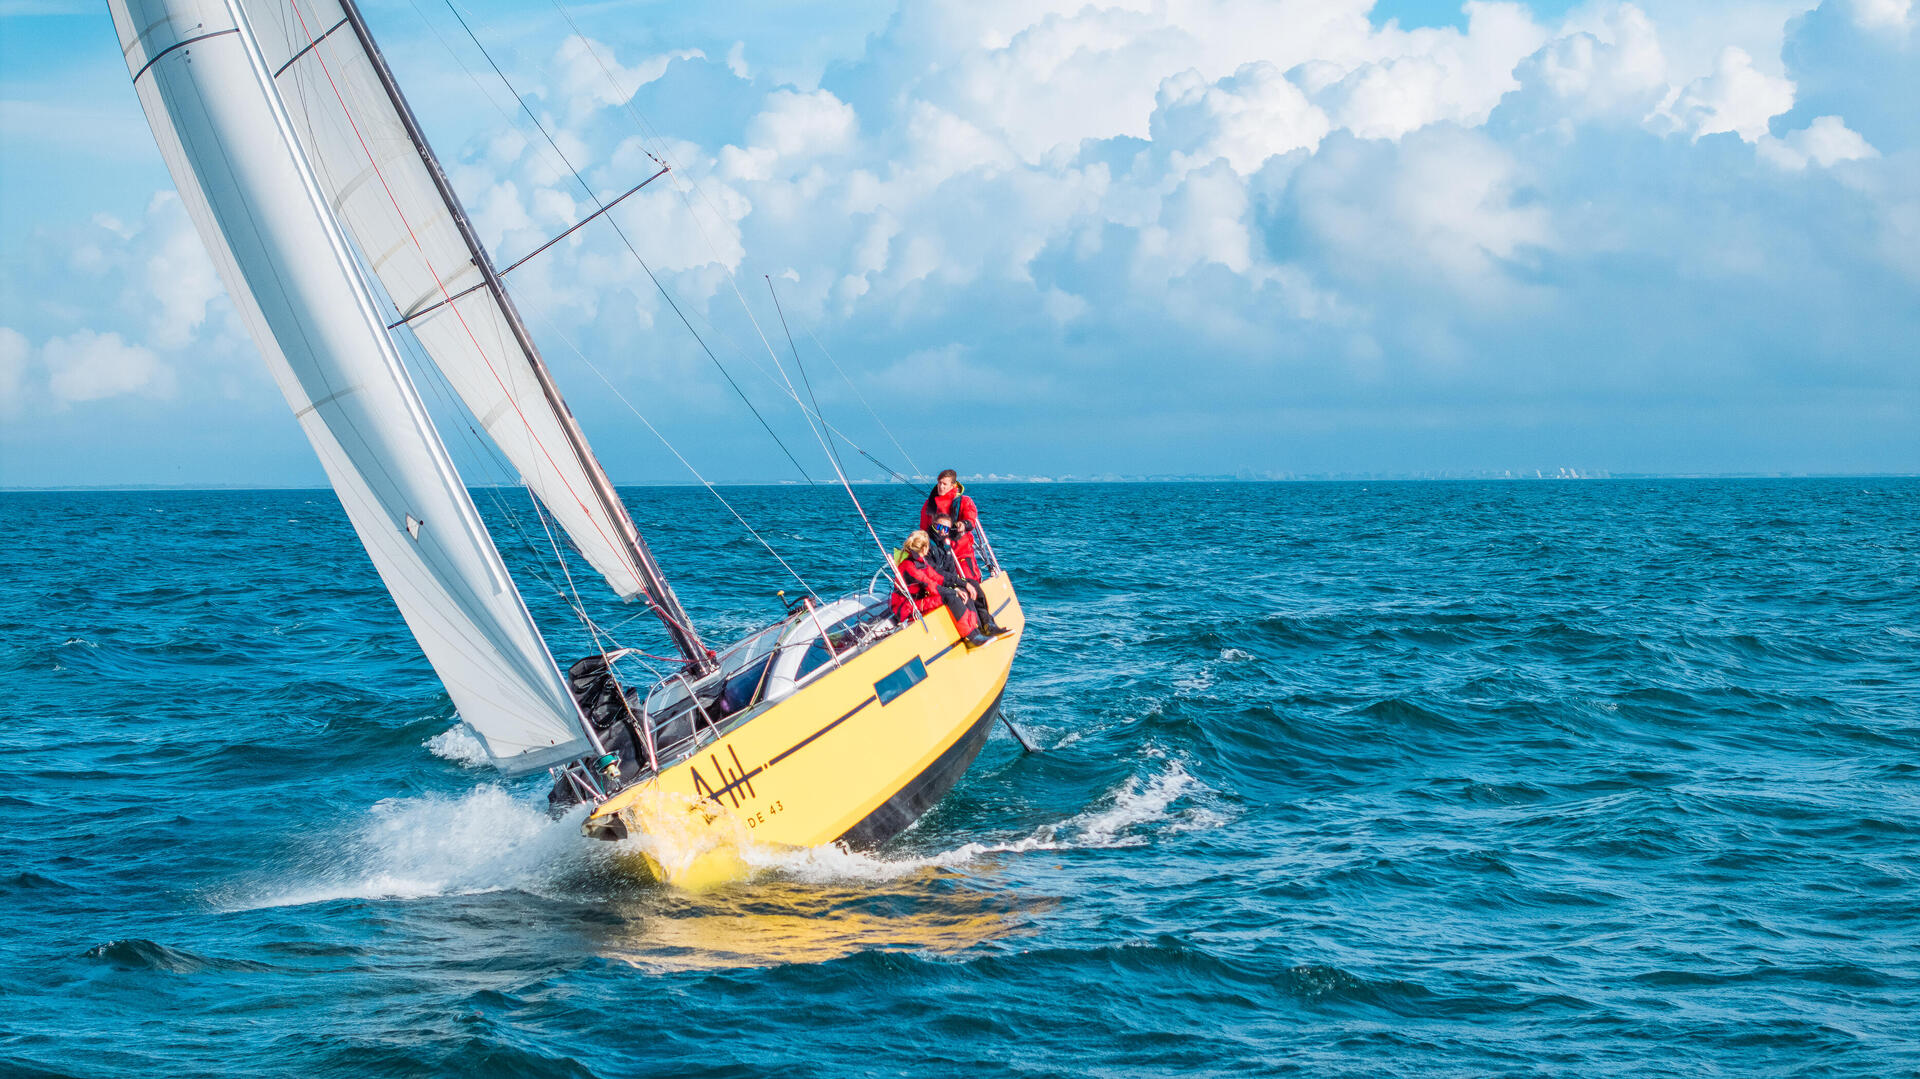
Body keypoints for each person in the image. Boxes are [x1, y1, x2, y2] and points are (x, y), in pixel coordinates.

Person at [892, 530, 989, 646]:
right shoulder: (909, 566)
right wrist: (953, 592)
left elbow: (936, 577)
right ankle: (972, 636)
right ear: (924, 549)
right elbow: (930, 585)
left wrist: (959, 585)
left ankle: (975, 628)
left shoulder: (919, 561)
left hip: (917, 601)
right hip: (906, 608)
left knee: (960, 592)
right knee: (951, 597)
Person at [931, 513, 1007, 636]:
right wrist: (957, 586)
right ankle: (975, 631)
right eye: (939, 527)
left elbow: (950, 569)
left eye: (946, 529)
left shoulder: (945, 545)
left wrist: (962, 583)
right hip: (937, 584)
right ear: (933, 525)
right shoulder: (929, 545)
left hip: (947, 581)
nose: (942, 531)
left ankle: (987, 623)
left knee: (974, 586)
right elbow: (934, 573)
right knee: (964, 595)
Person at [920, 469, 981, 534]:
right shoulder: (929, 502)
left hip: (958, 539)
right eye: (939, 483)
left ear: (952, 486)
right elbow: (924, 527)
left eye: (944, 484)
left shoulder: (965, 501)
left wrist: (963, 524)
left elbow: (970, 520)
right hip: (935, 540)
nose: (941, 486)